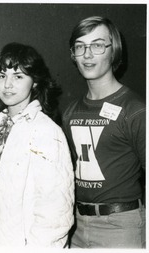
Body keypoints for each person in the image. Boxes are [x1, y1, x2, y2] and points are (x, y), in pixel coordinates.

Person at [0, 42, 75, 247]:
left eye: (18, 76)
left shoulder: (46, 131)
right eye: (2, 75)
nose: (8, 84)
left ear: (35, 82)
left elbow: (56, 213)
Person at [62, 16, 146, 248]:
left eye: (97, 45)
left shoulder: (136, 110)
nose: (87, 54)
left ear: (114, 51)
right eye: (80, 46)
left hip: (121, 227)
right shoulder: (70, 112)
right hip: (76, 226)